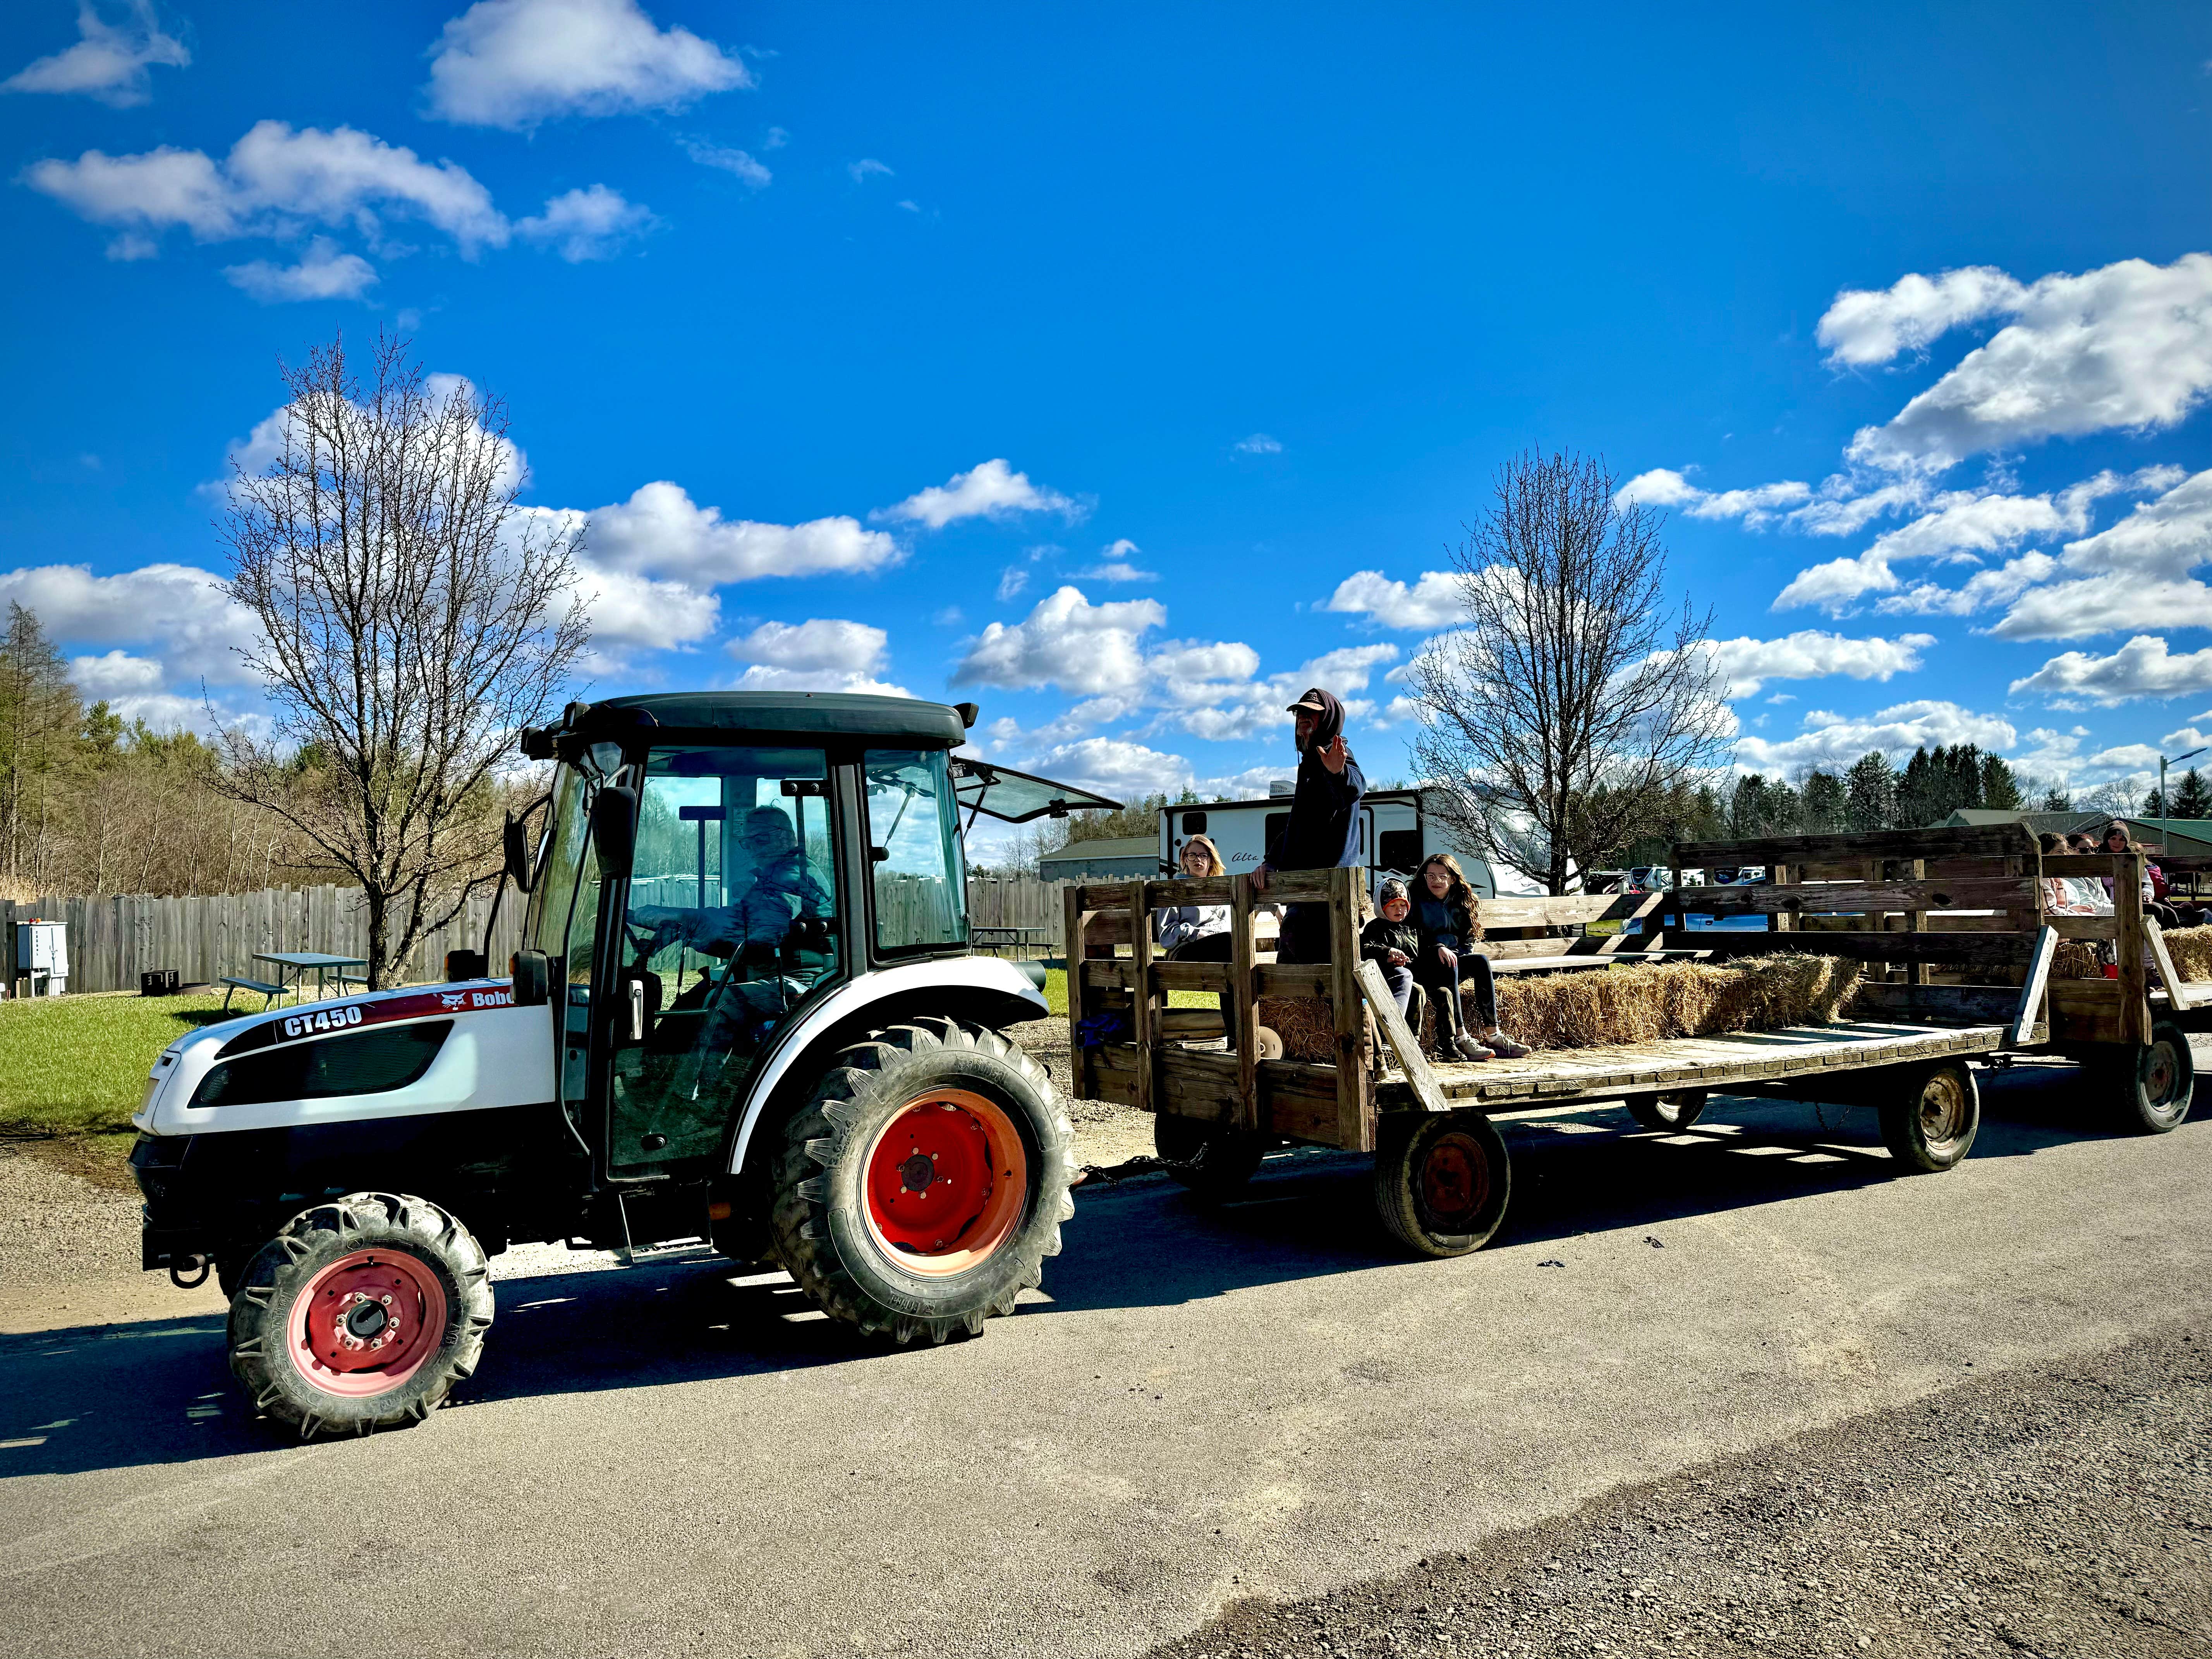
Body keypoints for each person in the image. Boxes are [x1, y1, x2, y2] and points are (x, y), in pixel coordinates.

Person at [1252, 687, 1364, 963]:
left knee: (1327, 980)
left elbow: (1355, 787)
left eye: (1311, 714)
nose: (1303, 718)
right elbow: (1299, 825)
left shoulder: (1336, 752)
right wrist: (1270, 862)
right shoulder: (1309, 765)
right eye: (1300, 714)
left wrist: (1338, 773)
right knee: (1293, 985)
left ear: (1327, 720)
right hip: (1305, 895)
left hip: (1329, 896)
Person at [1412, 853, 1530, 1063]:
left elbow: (1467, 942)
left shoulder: (1462, 902)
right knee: (1450, 964)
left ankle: (1494, 1036)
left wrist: (1458, 955)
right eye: (1430, 876)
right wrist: (1437, 947)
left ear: (1453, 878)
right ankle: (1461, 1037)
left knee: (1481, 961)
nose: (1435, 881)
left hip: (1453, 962)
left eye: (1442, 876)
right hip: (1425, 964)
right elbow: (1411, 939)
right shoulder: (1415, 901)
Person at [1158, 835, 1232, 960]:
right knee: (1229, 941)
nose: (1198, 860)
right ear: (1186, 860)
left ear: (1211, 860)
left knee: (1236, 942)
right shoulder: (1173, 889)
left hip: (1222, 944)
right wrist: (1195, 934)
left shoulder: (1223, 887)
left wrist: (1273, 908)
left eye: (1203, 856)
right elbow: (1166, 933)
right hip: (1186, 949)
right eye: (1192, 855)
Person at [1360, 878, 1422, 1024]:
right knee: (1405, 975)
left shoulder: (1412, 928)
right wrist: (1387, 953)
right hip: (1386, 976)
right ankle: (1393, 1028)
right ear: (1382, 907)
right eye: (1393, 905)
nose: (1399, 910)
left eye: (1403, 905)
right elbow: (1364, 949)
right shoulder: (1375, 928)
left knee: (1422, 991)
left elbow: (1421, 954)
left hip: (1411, 977)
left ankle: (1414, 1040)